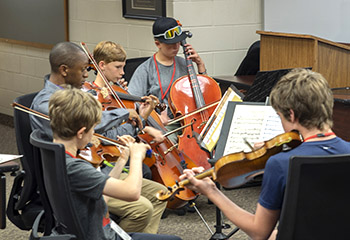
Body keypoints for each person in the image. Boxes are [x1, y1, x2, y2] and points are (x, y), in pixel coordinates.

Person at [179, 68, 350, 239]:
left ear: (291, 114)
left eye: (280, 117)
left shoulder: (281, 163)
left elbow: (259, 232)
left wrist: (211, 191)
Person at [30, 41, 168, 234]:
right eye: (83, 70)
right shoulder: (48, 103)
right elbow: (88, 125)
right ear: (64, 70)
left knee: (160, 194)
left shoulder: (75, 95)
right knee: (142, 207)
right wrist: (122, 114)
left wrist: (140, 122)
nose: (87, 75)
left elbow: (103, 135)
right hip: (79, 177)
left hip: (96, 167)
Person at [48, 87, 181, 240]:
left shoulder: (55, 155)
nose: (94, 134)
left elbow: (102, 196)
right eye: (93, 129)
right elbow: (132, 192)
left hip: (97, 228)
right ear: (80, 133)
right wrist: (137, 157)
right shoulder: (76, 167)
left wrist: (122, 159)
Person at [91, 40, 169, 233]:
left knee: (162, 194)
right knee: (143, 206)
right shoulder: (91, 97)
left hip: (117, 160)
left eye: (123, 67)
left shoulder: (115, 94)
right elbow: (111, 137)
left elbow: (119, 135)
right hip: (104, 165)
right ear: (101, 65)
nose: (122, 73)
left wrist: (141, 117)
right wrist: (134, 120)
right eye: (117, 67)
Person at [127, 17, 207, 142]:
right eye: (171, 44)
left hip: (188, 121)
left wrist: (200, 65)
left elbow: (204, 95)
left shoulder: (185, 64)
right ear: (157, 44)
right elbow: (133, 102)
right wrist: (156, 117)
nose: (176, 47)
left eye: (178, 42)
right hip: (162, 125)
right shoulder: (145, 69)